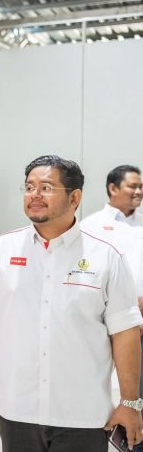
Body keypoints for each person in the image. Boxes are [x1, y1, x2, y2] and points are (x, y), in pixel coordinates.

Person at [0, 155, 143, 451]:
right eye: (29, 187)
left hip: (83, 414)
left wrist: (130, 401)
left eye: (46, 187)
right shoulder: (2, 251)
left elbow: (125, 331)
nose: (34, 194)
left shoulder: (106, 256)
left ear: (74, 198)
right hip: (17, 409)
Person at [80, 165, 143, 452]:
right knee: (110, 389)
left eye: (141, 187)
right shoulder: (91, 225)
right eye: (133, 186)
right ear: (113, 188)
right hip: (108, 321)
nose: (139, 192)